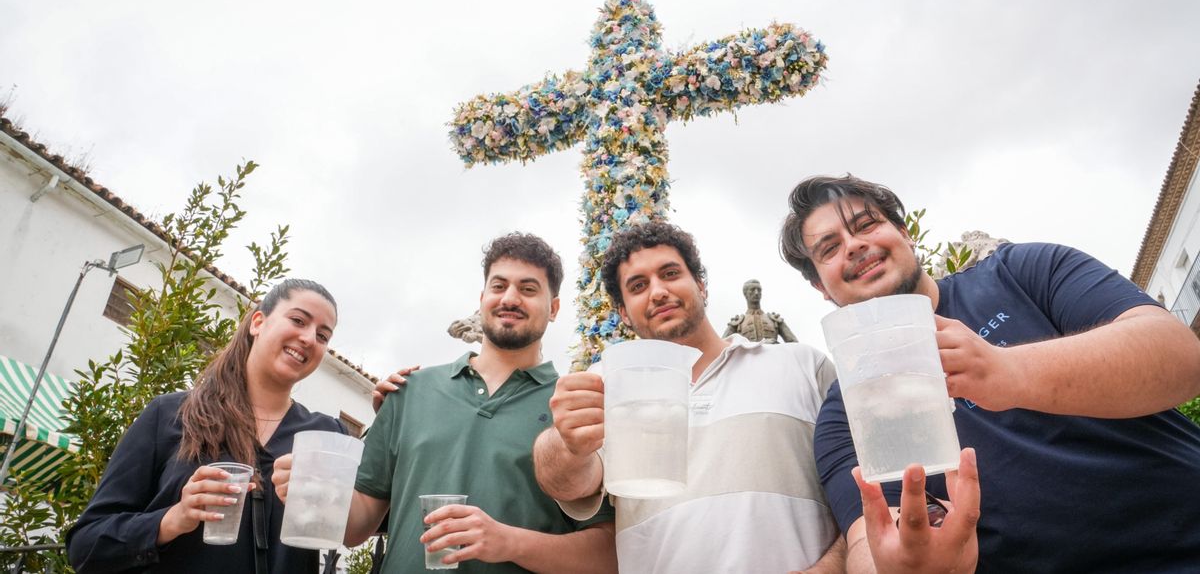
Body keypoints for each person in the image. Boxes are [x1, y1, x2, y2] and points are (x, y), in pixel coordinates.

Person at [779, 174, 1200, 573]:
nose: (854, 246)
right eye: (829, 249)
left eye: (867, 224)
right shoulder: (841, 416)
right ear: (820, 286)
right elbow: (866, 543)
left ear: (905, 232)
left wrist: (1007, 370)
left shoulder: (1021, 271)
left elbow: (1182, 357)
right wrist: (908, 564)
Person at [274, 233, 617, 573]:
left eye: (528, 289)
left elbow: (606, 556)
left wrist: (508, 542)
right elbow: (355, 527)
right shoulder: (411, 392)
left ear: (554, 308)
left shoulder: (577, 408)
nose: (510, 298)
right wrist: (315, 492)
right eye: (499, 287)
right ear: (482, 298)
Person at [533, 221, 846, 573]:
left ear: (700, 285)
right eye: (638, 286)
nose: (658, 292)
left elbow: (865, 492)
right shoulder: (607, 384)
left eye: (670, 274)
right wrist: (567, 443)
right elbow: (565, 482)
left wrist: (831, 567)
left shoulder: (803, 365)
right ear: (623, 312)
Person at [67, 279, 344, 573]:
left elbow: (377, 513)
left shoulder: (326, 437)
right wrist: (172, 519)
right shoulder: (172, 414)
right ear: (258, 323)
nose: (309, 338)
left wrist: (391, 409)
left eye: (323, 336)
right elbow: (86, 544)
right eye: (298, 320)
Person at [723, 278, 799, 343]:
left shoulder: (773, 319)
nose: (756, 293)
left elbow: (794, 343)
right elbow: (721, 346)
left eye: (759, 290)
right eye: (752, 290)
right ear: (745, 294)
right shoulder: (738, 322)